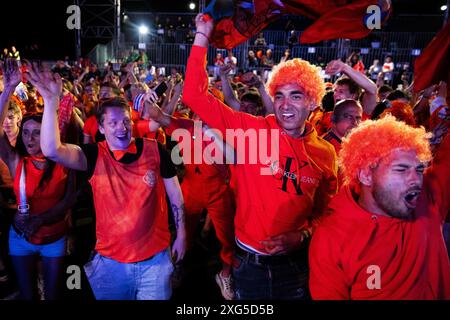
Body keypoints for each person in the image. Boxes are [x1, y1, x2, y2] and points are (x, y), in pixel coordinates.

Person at [183, 13, 337, 300]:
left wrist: (303, 235)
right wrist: (203, 36)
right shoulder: (252, 131)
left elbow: (327, 212)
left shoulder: (326, 154)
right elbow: (193, 95)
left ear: (313, 102)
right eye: (279, 96)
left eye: (297, 96)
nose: (285, 105)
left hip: (298, 266)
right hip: (249, 264)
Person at [26, 65, 186, 300]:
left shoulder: (156, 151)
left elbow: (175, 194)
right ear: (101, 127)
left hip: (155, 262)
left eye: (125, 122)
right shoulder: (93, 155)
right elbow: (51, 149)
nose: (121, 128)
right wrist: (50, 100)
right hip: (110, 264)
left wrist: (181, 234)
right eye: (112, 123)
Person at [309, 115, 450, 299]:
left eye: (419, 169)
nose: (416, 180)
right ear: (366, 175)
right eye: (401, 169)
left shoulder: (428, 198)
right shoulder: (332, 238)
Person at [0, 60, 76, 300]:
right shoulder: (17, 161)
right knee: (28, 295)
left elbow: (68, 201)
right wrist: (8, 89)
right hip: (21, 239)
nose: (30, 138)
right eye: (26, 133)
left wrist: (39, 220)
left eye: (37, 132)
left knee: (52, 296)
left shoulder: (66, 159)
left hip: (53, 238)